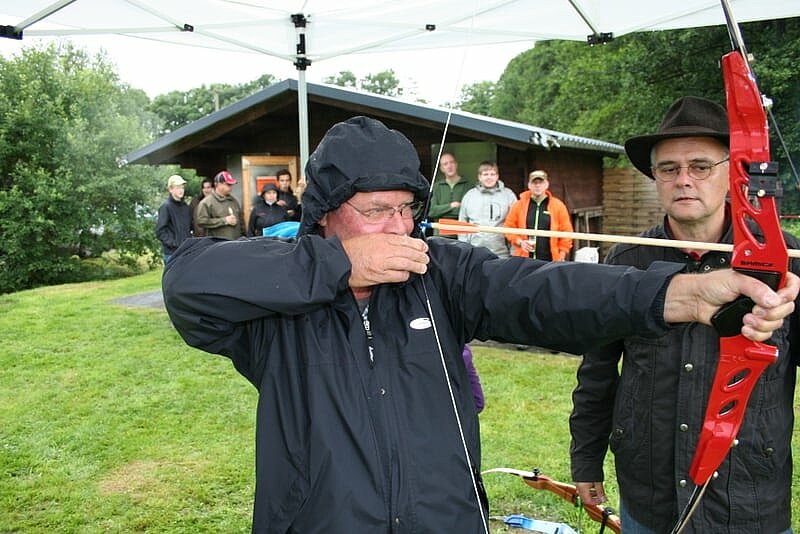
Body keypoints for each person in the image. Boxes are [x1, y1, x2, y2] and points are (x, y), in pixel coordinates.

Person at [162, 116, 798, 533]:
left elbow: (546, 292)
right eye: (377, 210)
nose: (399, 227)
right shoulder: (278, 300)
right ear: (326, 213)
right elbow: (186, 283)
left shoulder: (438, 274)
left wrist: (687, 294)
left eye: (407, 208)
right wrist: (337, 266)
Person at [569, 96, 800, 534]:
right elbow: (597, 372)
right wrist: (586, 458)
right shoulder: (627, 260)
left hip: (749, 496)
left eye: (700, 166)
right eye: (669, 169)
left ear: (733, 174)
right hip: (650, 494)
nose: (684, 180)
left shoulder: (784, 259)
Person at [504, 170, 574, 261]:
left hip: (550, 260)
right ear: (529, 185)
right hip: (524, 259)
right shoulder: (518, 205)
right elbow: (508, 228)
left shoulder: (558, 206)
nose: (537, 185)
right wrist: (520, 242)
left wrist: (562, 254)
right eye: (534, 183)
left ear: (547, 184)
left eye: (541, 182)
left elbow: (567, 232)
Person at [457, 160, 517, 257]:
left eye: (492, 174)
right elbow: (462, 222)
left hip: (501, 253)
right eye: (485, 174)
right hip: (475, 252)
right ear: (479, 177)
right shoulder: (469, 196)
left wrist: (514, 252)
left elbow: (515, 223)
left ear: (497, 176)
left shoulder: (508, 195)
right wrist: (464, 248)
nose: (489, 177)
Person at [428, 151, 472, 237]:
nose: (449, 166)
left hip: (461, 235)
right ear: (441, 168)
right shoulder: (436, 187)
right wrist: (451, 206)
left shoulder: (468, 186)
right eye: (445, 164)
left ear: (456, 164)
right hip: (440, 235)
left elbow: (469, 212)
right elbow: (431, 211)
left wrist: (441, 212)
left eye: (451, 162)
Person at [155, 174, 193, 264]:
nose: (181, 190)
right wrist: (174, 244)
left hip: (186, 251)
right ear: (170, 189)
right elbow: (160, 231)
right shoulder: (166, 207)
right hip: (172, 253)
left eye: (182, 187)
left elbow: (189, 227)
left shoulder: (185, 207)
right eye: (178, 187)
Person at [195, 170, 243, 240]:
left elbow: (241, 221)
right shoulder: (206, 202)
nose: (231, 187)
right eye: (228, 184)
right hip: (218, 243)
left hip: (236, 242)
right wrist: (224, 221)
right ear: (217, 184)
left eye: (231, 184)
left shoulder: (233, 200)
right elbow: (201, 221)